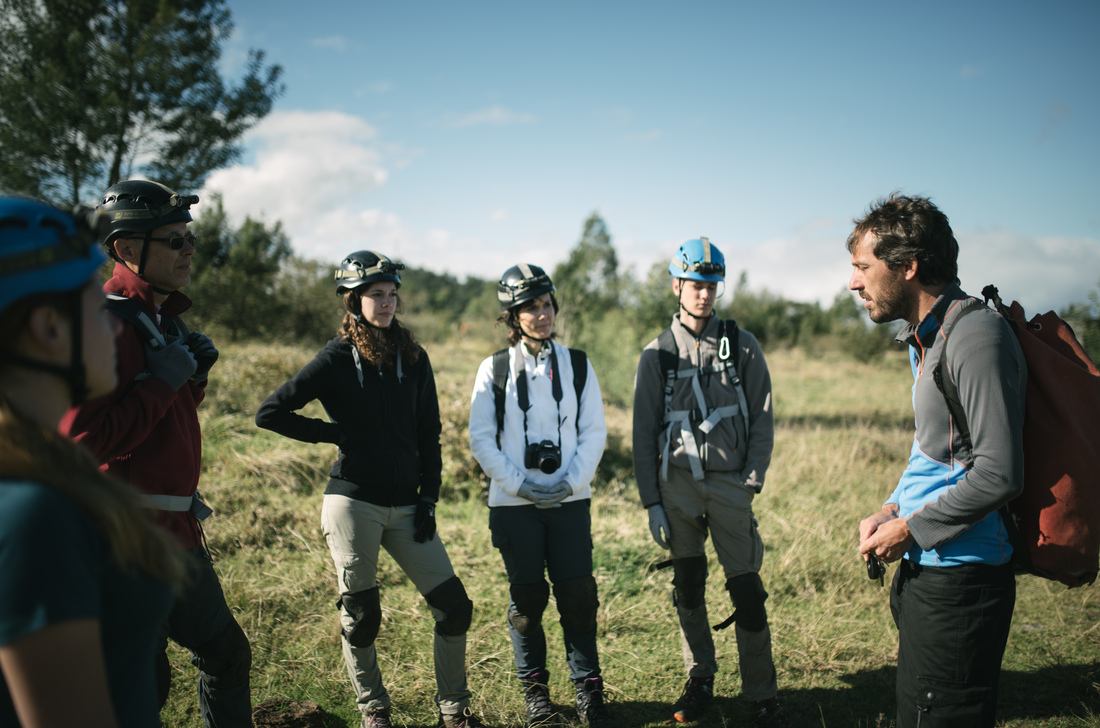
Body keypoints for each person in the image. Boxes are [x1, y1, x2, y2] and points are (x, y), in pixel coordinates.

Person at [256, 250, 487, 728]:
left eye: (391, 294)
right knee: (361, 616)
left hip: (407, 505)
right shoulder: (336, 357)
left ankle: (453, 711)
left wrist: (430, 497)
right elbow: (270, 412)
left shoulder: (414, 357)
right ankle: (373, 710)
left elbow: (430, 433)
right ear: (352, 300)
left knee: (454, 607)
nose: (386, 303)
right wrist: (333, 433)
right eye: (375, 295)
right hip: (352, 502)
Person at [61, 180, 253, 727]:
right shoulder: (101, 324)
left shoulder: (162, 317)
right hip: (124, 542)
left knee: (226, 655)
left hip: (178, 534)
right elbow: (81, 445)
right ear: (127, 250)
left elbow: (156, 422)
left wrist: (192, 380)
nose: (190, 250)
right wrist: (164, 384)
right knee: (143, 688)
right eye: (175, 241)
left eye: (189, 238)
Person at [0, 195, 184, 726]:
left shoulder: (41, 481)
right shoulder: (33, 515)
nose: (111, 325)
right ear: (49, 329)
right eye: (93, 305)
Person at [850, 194, 1025, 727]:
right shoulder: (928, 337)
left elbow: (1000, 472)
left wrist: (912, 528)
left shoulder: (974, 336)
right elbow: (936, 451)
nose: (854, 283)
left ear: (908, 265)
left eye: (863, 267)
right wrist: (891, 507)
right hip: (929, 570)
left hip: (963, 581)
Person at [632, 237, 787, 727]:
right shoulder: (656, 353)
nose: (703, 294)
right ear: (677, 285)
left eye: (711, 284)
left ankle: (761, 695)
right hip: (676, 486)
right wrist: (651, 502)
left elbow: (762, 414)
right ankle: (699, 678)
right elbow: (642, 433)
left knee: (747, 591)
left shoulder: (740, 344)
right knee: (689, 586)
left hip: (728, 485)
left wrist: (751, 478)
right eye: (695, 284)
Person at [468, 264, 611, 728]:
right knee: (527, 606)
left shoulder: (579, 364)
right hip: (514, 506)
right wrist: (520, 484)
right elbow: (481, 438)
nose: (542, 313)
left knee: (578, 596)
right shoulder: (493, 369)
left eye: (547, 304)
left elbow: (593, 431)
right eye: (530, 306)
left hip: (571, 501)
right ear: (513, 315)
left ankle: (589, 692)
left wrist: (570, 482)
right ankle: (537, 700)